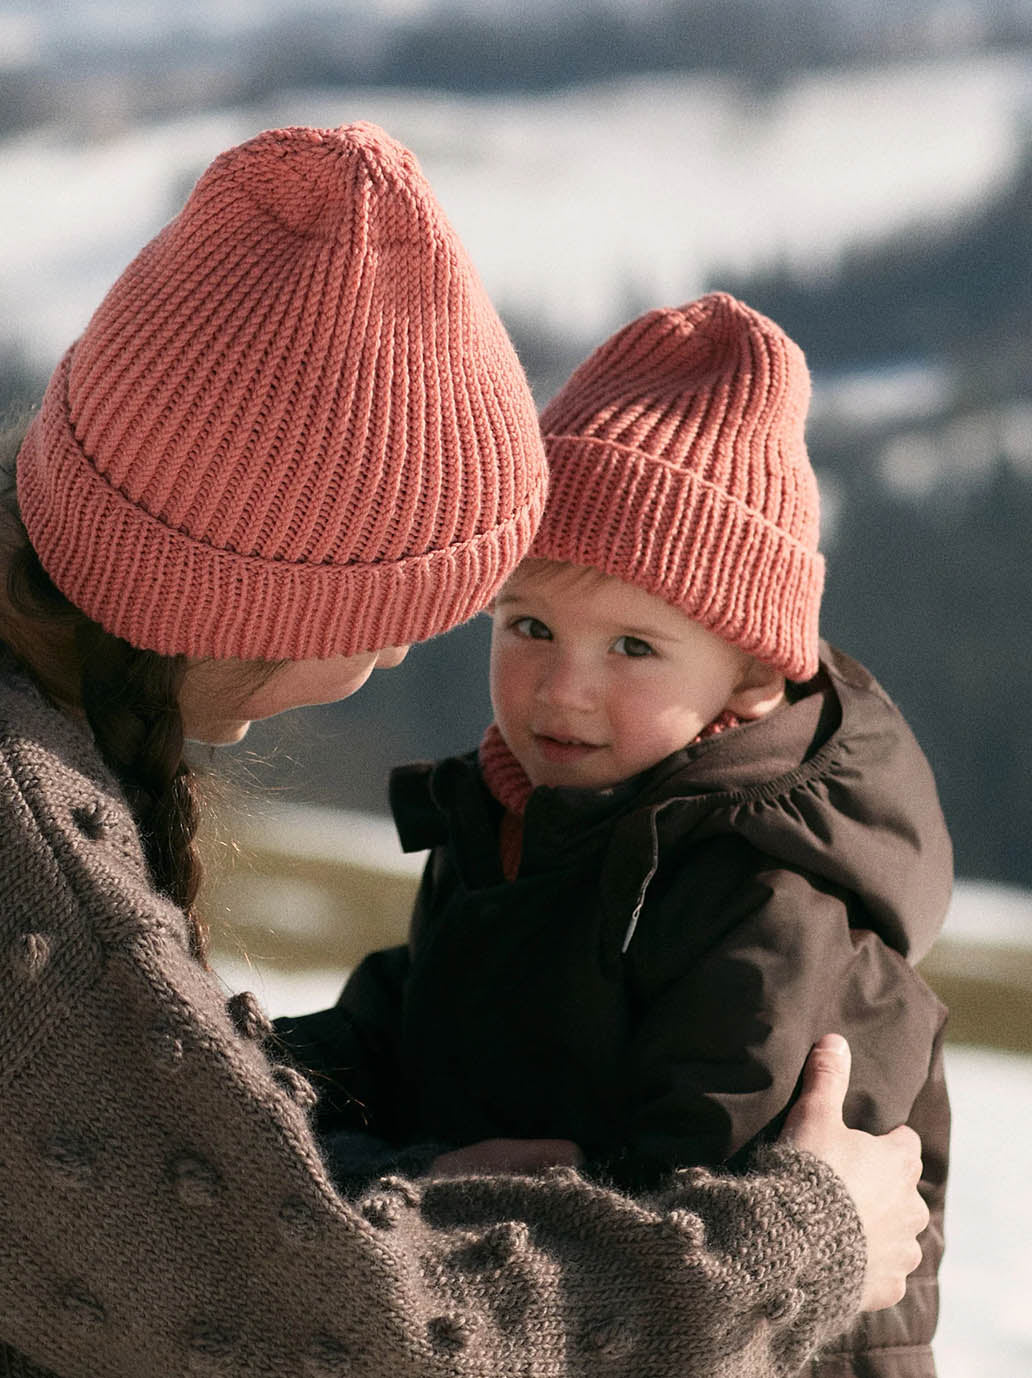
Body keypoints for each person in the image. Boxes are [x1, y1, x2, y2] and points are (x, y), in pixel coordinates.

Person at [0, 123, 929, 1378]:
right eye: (411, 613)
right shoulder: (36, 859)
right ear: (262, 596)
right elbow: (331, 1333)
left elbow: (178, 1203)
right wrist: (803, 1238)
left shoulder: (762, 906)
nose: (397, 662)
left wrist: (401, 1173)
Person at [277, 295, 951, 1377]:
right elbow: (415, 1026)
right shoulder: (512, 822)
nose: (562, 686)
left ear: (749, 673)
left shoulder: (770, 902)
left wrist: (463, 1190)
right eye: (530, 624)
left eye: (634, 645)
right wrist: (242, 1074)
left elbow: (720, 1236)